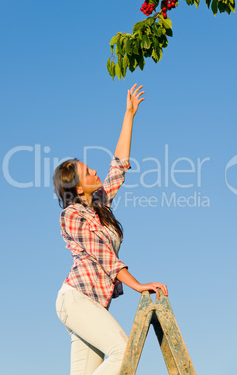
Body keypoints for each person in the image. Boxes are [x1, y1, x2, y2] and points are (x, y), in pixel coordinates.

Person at [53, 84, 168, 375]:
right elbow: (105, 258)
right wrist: (138, 284)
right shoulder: (71, 216)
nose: (95, 172)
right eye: (88, 172)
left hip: (95, 305)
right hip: (76, 300)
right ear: (79, 187)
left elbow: (118, 166)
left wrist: (129, 114)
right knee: (123, 351)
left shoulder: (99, 205)